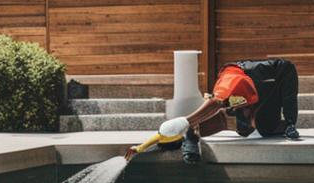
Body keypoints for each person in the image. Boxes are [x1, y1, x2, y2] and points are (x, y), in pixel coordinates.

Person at [125, 58, 299, 164]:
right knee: (264, 130)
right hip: (255, 85)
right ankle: (192, 135)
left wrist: (187, 121)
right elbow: (165, 132)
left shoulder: (229, 85)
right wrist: (140, 148)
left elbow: (215, 103)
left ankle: (289, 124)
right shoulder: (231, 96)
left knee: (261, 124)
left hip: (279, 72)